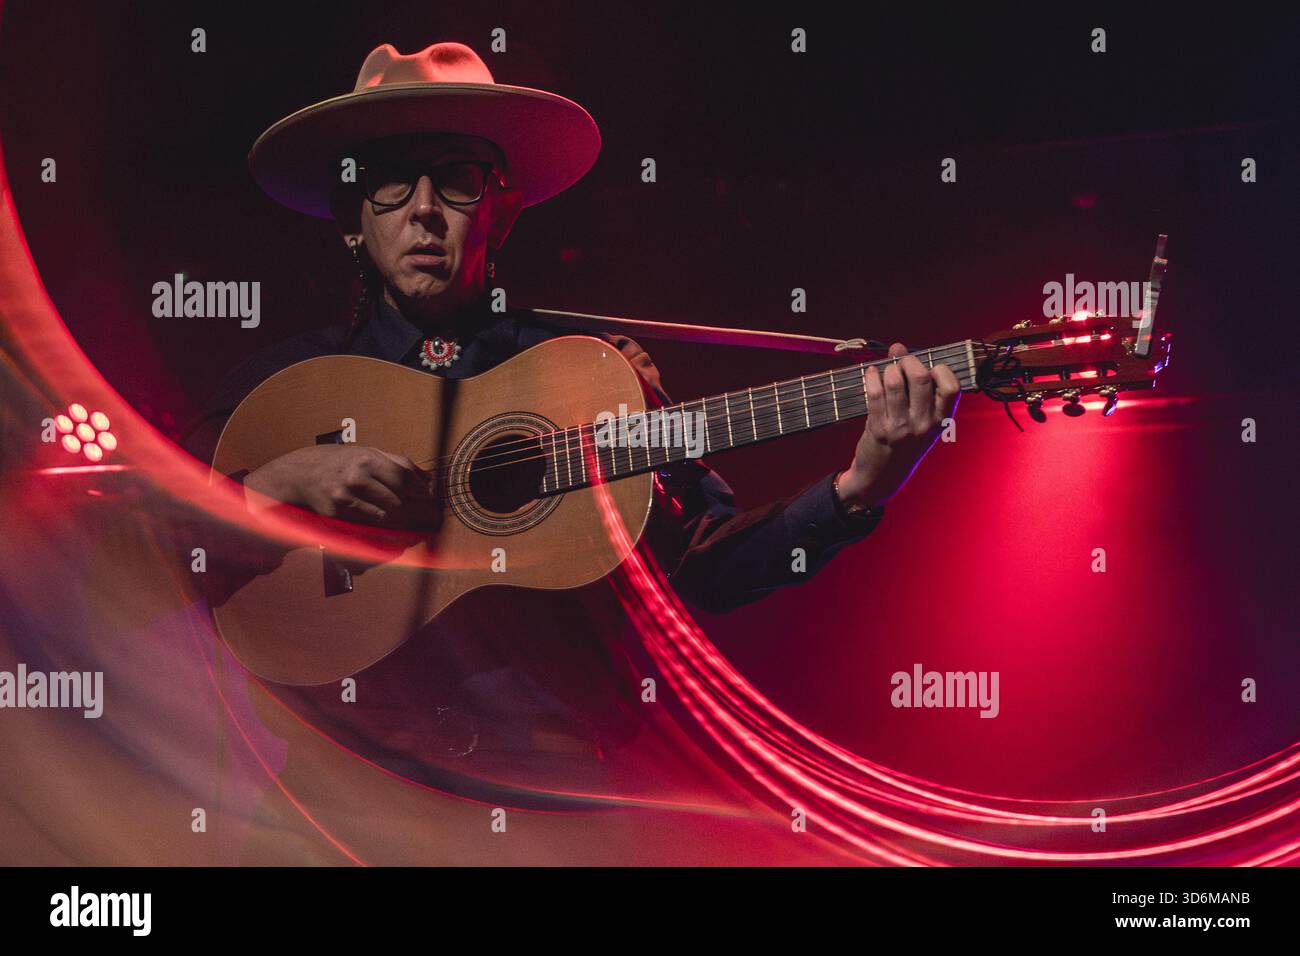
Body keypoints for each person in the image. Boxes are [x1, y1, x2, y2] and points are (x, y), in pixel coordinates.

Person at [180, 41, 959, 787]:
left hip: (549, 792)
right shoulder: (286, 386)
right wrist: (274, 486)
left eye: (456, 179)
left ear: (502, 210)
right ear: (354, 218)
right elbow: (152, 542)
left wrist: (859, 488)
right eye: (391, 183)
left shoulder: (593, 373)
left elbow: (701, 569)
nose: (423, 210)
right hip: (342, 794)